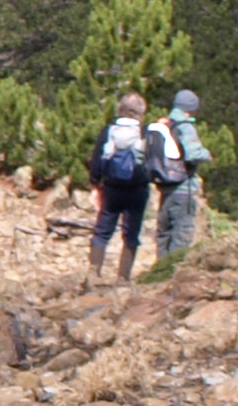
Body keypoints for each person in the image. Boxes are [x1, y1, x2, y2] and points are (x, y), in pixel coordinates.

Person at [88, 90, 153, 282]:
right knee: (131, 235)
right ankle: (123, 279)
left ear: (120, 109)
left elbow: (96, 160)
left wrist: (95, 183)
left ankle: (93, 275)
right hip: (137, 189)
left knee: (102, 232)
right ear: (140, 113)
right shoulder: (145, 132)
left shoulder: (109, 131)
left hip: (111, 189)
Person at [153, 89, 213, 262]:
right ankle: (172, 272)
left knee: (164, 236)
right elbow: (193, 154)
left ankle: (159, 272)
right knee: (181, 236)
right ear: (192, 109)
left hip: (164, 188)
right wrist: (207, 154)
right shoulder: (185, 127)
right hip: (183, 189)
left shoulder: (164, 125)